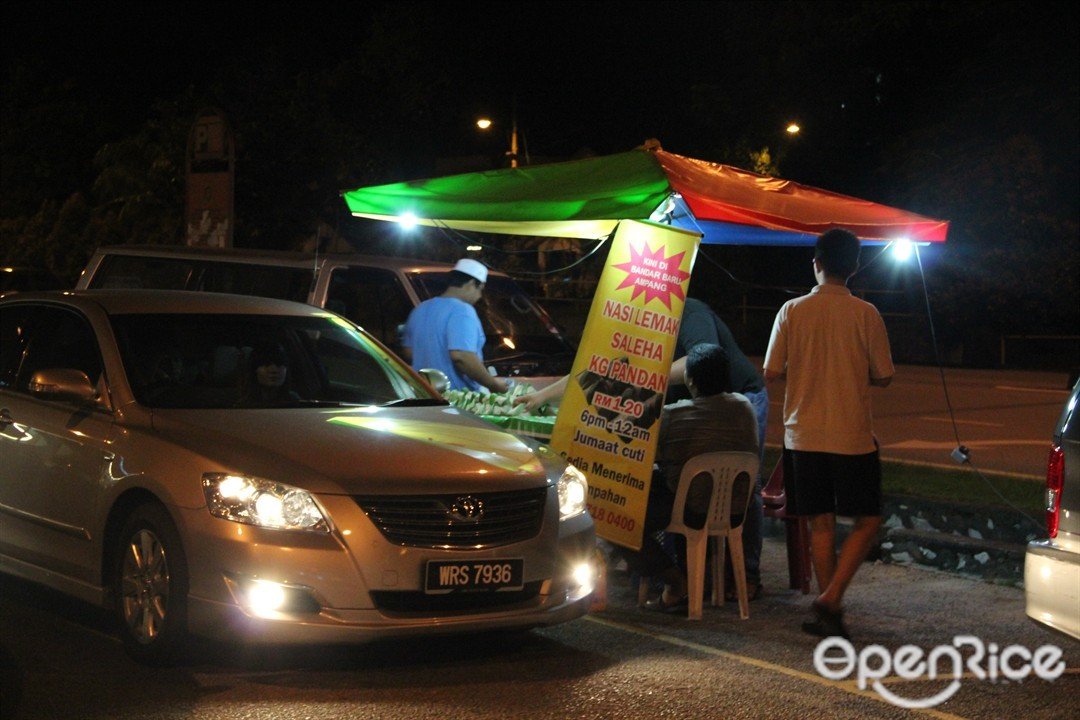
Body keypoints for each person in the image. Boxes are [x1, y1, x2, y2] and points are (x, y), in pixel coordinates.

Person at [515, 297, 769, 599]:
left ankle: (738, 576)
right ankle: (700, 574)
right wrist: (541, 397)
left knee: (740, 482)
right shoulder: (636, 329)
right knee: (697, 481)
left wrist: (645, 379)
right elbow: (597, 370)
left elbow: (700, 358)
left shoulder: (691, 313)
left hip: (740, 397)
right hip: (699, 408)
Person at [763, 228, 894, 639]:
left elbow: (770, 371)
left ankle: (829, 604)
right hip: (852, 436)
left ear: (816, 263)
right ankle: (831, 601)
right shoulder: (866, 314)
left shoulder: (791, 311)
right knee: (867, 521)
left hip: (803, 435)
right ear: (854, 267)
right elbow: (884, 375)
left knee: (820, 523)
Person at [621, 343, 760, 610]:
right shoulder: (745, 408)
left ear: (690, 380)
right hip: (733, 510)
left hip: (690, 510)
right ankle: (697, 584)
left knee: (620, 524)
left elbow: (635, 440)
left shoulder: (675, 414)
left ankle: (675, 581)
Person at [401, 258, 509, 393]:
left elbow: (409, 352)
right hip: (457, 400)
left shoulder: (420, 309)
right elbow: (461, 356)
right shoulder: (463, 311)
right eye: (480, 289)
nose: (480, 296)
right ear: (471, 283)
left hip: (424, 396)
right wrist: (493, 384)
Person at [237, 341, 300, 406]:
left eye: (279, 364)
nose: (274, 370)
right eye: (266, 364)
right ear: (254, 369)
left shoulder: (295, 402)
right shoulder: (241, 404)